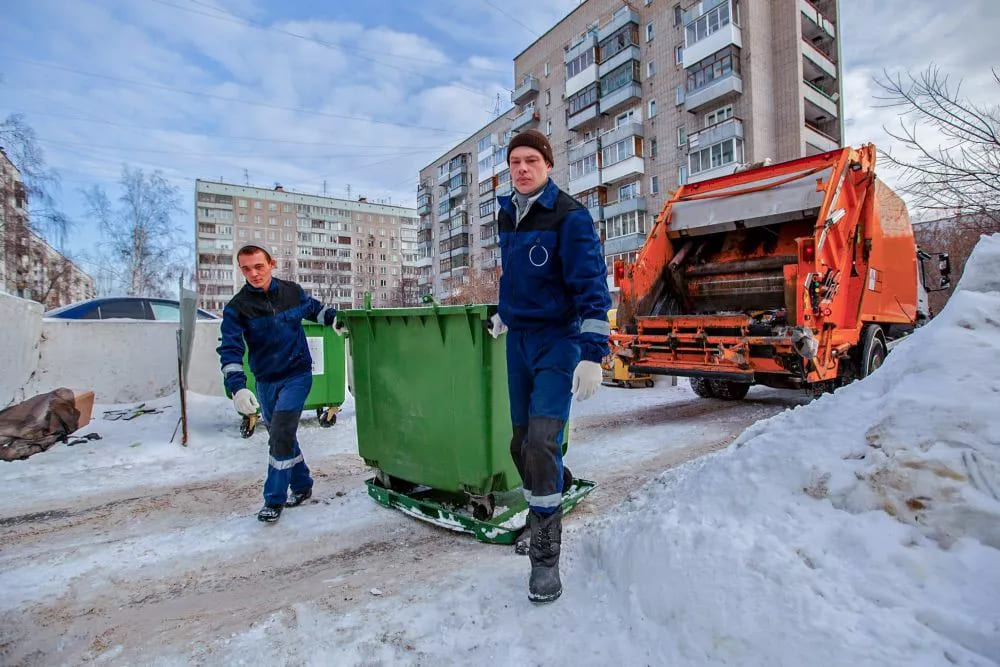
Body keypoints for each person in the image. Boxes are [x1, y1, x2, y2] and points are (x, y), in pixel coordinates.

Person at [488, 129, 611, 602]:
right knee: (521, 444)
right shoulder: (507, 214)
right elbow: (516, 276)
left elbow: (590, 286)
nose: (521, 169)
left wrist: (592, 355)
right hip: (518, 342)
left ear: (548, 165)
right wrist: (505, 312)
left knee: (542, 440)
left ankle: (545, 557)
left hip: (558, 342)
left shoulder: (570, 217)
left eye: (531, 161)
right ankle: (549, 499)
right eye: (515, 162)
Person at [217, 243, 344, 523]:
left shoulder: (291, 292)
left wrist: (334, 319)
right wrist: (237, 387)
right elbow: (230, 349)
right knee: (283, 436)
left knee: (281, 433)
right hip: (266, 381)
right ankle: (301, 485)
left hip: (297, 375)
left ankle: (273, 499)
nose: (253, 273)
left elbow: (313, 309)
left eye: (259, 266)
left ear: (271, 264)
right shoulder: (238, 308)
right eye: (246, 269)